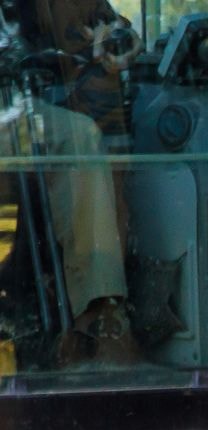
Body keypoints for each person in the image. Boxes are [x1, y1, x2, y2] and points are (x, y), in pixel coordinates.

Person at [0, 0, 135, 363]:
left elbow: (110, 25)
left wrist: (113, 38)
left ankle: (96, 310)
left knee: (81, 136)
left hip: (20, 108)